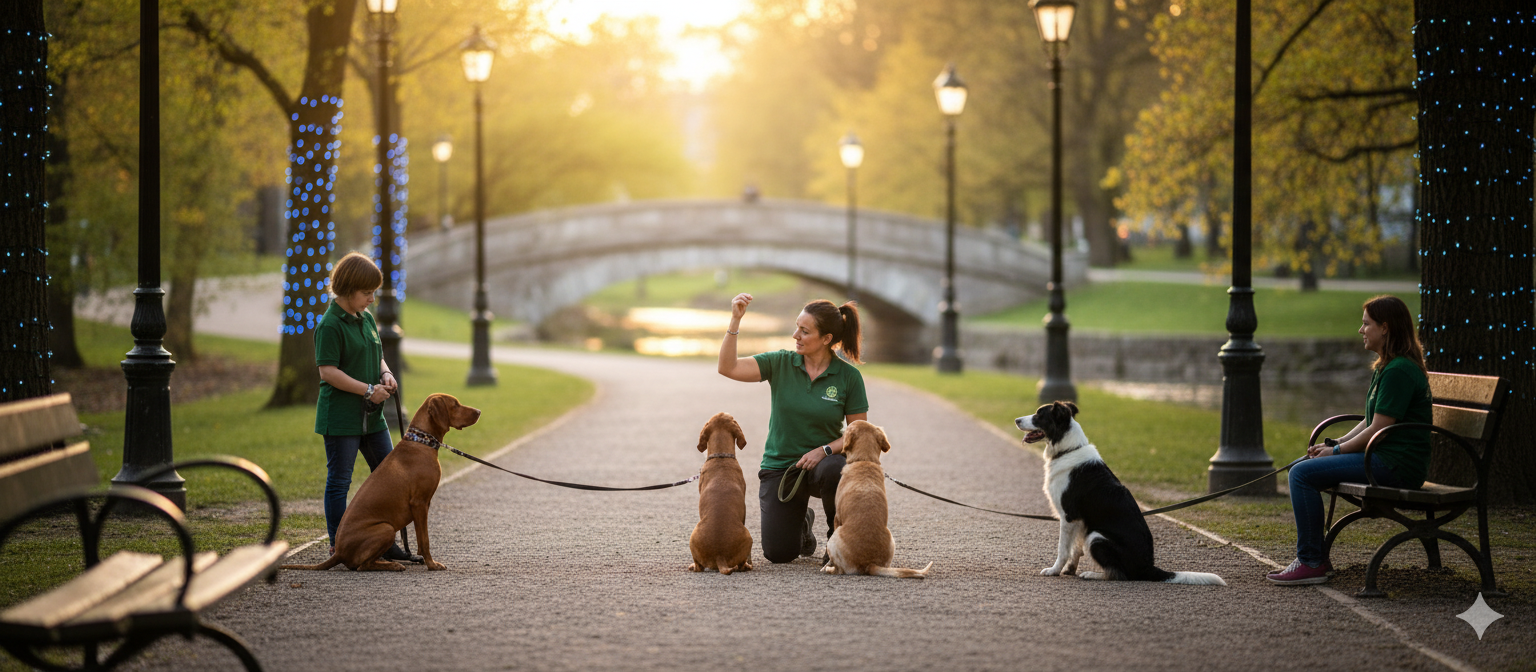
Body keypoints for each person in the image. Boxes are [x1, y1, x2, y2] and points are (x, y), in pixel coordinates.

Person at [1268, 295, 1432, 585]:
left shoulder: (1399, 371)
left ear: (1385, 327)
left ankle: (1311, 560)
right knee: (1304, 468)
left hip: (1395, 465)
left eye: (1366, 324)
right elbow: (1369, 420)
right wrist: (1336, 444)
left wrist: (1338, 451)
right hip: (1385, 459)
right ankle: (1314, 558)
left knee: (1302, 474)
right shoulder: (1388, 367)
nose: (1360, 330)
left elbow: (1378, 428)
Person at [717, 295, 869, 564]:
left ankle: (838, 543)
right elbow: (728, 368)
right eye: (797, 327)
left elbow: (857, 433)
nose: (795, 335)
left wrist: (823, 451)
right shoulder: (781, 362)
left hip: (823, 464)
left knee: (836, 468)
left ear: (826, 339)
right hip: (781, 466)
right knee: (779, 554)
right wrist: (735, 320)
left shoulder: (848, 377)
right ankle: (803, 522)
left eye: (804, 331)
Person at [313, 251, 415, 562]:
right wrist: (367, 390)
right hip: (342, 416)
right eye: (367, 293)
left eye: (373, 292)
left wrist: (385, 372)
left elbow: (377, 352)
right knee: (340, 481)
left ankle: (386, 542)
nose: (372, 299)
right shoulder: (329, 325)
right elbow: (327, 371)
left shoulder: (366, 319)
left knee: (390, 478)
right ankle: (339, 546)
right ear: (347, 289)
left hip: (372, 419)